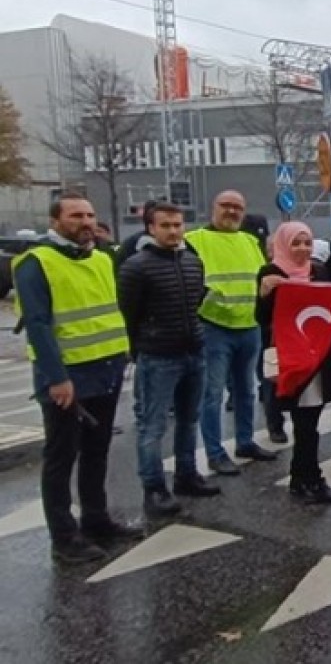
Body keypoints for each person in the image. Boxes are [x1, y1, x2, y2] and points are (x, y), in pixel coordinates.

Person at [14, 194, 142, 563]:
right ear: (56, 221)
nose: (86, 221)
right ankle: (64, 537)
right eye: (75, 216)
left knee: (97, 451)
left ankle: (96, 519)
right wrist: (56, 378)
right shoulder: (36, 262)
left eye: (89, 214)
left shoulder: (101, 258)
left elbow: (109, 310)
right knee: (60, 457)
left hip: (105, 369)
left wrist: (123, 353)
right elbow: (37, 325)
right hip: (68, 376)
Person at [117, 201, 221, 517]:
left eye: (178, 224)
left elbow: (195, 303)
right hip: (158, 357)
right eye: (166, 225)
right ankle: (154, 488)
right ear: (151, 228)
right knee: (153, 426)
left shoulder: (192, 261)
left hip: (194, 352)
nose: (174, 230)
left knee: (189, 420)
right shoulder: (136, 266)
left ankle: (187, 475)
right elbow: (128, 314)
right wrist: (139, 349)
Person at [257, 222, 331, 504]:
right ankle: (309, 480)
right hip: (292, 358)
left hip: (319, 357)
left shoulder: (318, 271)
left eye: (307, 243)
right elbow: (261, 318)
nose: (302, 249)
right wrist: (264, 293)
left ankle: (303, 479)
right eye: (296, 243)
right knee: (305, 423)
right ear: (283, 245)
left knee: (310, 420)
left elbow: (330, 306)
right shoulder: (271, 273)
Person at [185, 191, 276, 475]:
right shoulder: (195, 240)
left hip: (249, 325)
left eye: (238, 207)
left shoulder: (250, 241)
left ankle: (245, 441)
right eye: (226, 205)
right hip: (214, 327)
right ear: (214, 207)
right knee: (212, 394)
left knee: (246, 390)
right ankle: (214, 452)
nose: (232, 211)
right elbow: (188, 281)